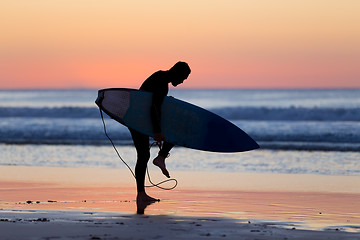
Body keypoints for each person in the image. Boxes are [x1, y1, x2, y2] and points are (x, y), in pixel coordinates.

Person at [129, 61, 191, 207]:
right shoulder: (161, 82)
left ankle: (142, 193)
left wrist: (166, 104)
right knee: (144, 154)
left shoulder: (161, 78)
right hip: (139, 120)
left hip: (139, 118)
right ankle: (160, 159)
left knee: (144, 155)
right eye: (183, 78)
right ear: (177, 73)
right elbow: (154, 107)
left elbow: (154, 103)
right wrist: (157, 131)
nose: (182, 82)